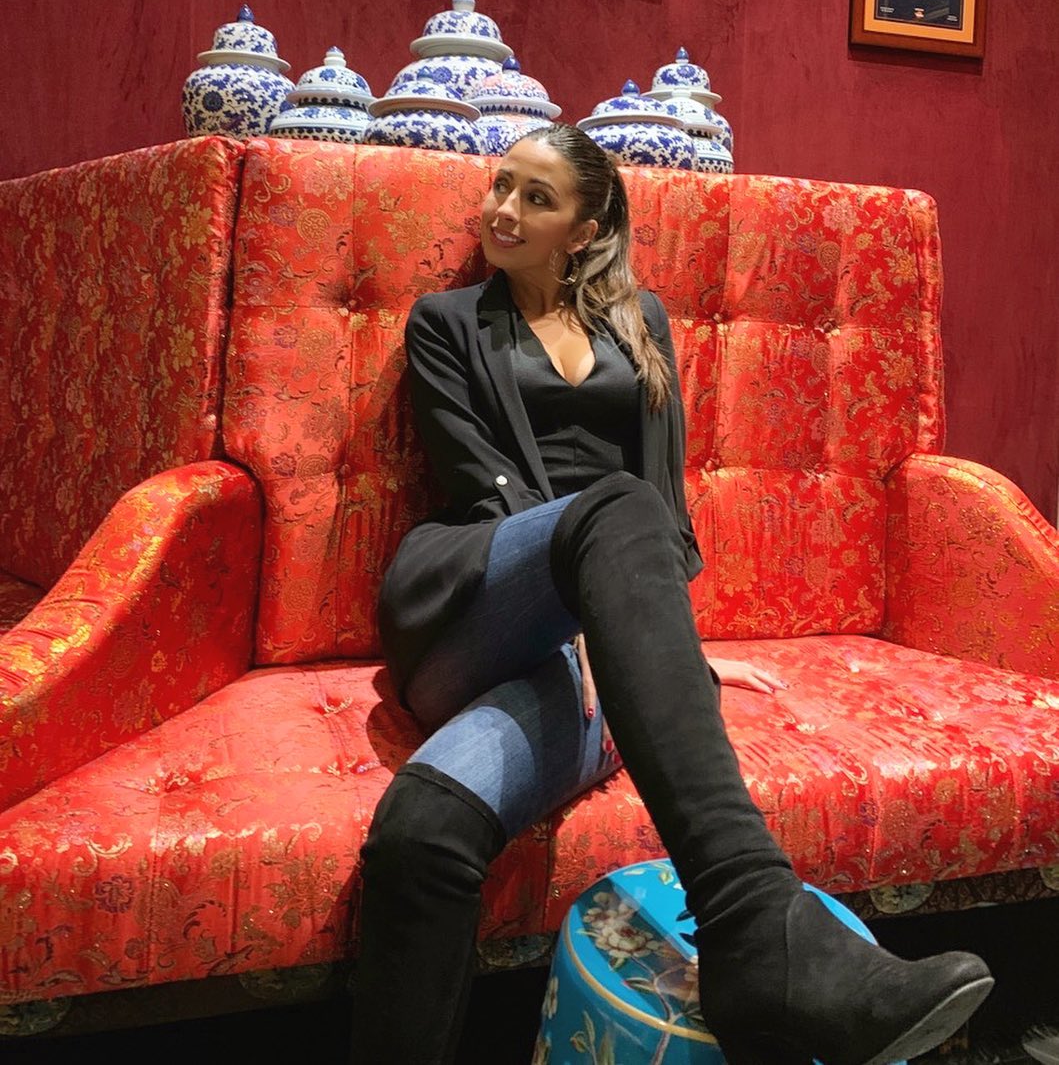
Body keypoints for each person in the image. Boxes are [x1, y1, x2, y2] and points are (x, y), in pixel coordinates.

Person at [350, 125, 993, 1064]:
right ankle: (756, 924)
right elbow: (482, 481)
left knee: (421, 838)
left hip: (595, 623)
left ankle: (760, 945)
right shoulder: (445, 322)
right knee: (615, 508)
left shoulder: (638, 322)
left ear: (583, 229)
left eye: (535, 197)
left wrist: (654, 651)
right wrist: (598, 625)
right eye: (500, 186)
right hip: (476, 596)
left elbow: (665, 496)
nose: (502, 210)